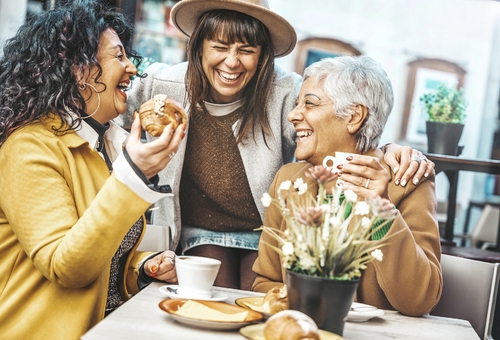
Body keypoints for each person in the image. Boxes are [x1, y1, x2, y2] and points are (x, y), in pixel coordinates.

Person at [121, 0, 434, 291]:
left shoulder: (287, 93)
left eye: (246, 50)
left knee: (257, 294)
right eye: (219, 47)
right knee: (215, 292)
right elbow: (109, 109)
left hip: (264, 228)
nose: (231, 62)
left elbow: (342, 122)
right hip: (197, 229)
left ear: (262, 56)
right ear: (198, 47)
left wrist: (394, 149)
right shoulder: (161, 85)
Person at [0, 1, 183, 339]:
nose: (132, 68)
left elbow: (100, 254)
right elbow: (66, 266)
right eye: (118, 56)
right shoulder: (28, 147)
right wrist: (133, 176)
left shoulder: (105, 144)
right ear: (78, 70)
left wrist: (140, 267)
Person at [252, 56, 442, 317]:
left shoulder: (407, 181)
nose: (293, 115)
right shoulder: (288, 180)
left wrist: (382, 210)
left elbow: (420, 300)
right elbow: (265, 283)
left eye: (309, 103)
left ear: (354, 116)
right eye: (297, 104)